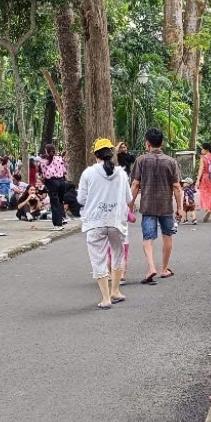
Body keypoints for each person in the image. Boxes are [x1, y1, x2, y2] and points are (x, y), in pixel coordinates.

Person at [77, 138, 133, 309]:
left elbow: (81, 199)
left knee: (98, 259)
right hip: (117, 221)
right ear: (111, 153)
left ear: (96, 155)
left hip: (95, 222)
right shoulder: (122, 174)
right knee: (118, 254)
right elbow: (129, 199)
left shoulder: (88, 173)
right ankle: (116, 290)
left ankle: (106, 298)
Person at [129, 127, 182, 285]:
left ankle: (151, 267)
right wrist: (179, 208)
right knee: (167, 236)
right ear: (162, 143)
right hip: (166, 206)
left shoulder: (141, 160)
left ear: (147, 144)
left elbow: (135, 184)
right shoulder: (171, 161)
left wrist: (130, 205)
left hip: (148, 205)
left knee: (148, 238)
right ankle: (164, 269)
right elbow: (177, 187)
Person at [39, 143, 69, 231]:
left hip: (52, 181)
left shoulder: (44, 161)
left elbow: (44, 174)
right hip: (61, 181)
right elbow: (64, 170)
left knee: (54, 203)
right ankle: (62, 218)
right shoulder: (59, 159)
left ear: (46, 151)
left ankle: (57, 223)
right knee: (60, 201)